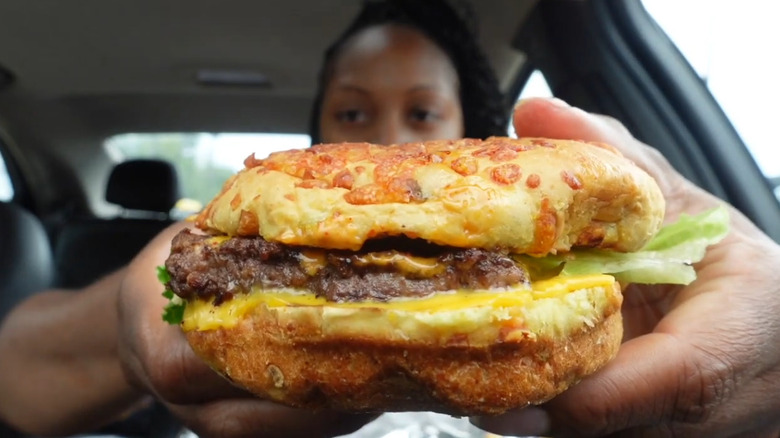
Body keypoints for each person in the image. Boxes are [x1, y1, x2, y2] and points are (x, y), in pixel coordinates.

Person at [2, 3, 780, 438]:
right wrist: (123, 326)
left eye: (422, 112)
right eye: (351, 113)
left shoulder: (626, 308)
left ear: (475, 131)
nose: (386, 146)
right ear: (312, 142)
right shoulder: (230, 236)